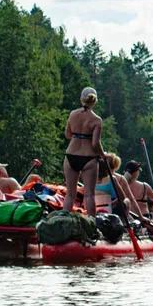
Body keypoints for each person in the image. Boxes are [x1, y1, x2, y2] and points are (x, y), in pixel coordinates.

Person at [64, 87, 104, 215]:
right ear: (95, 101)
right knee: (89, 195)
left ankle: (64, 221)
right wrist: (103, 155)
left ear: (81, 99)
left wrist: (78, 135)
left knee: (70, 194)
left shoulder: (73, 114)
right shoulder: (96, 120)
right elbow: (95, 144)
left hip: (71, 155)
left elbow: (67, 135)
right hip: (88, 158)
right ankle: (92, 222)